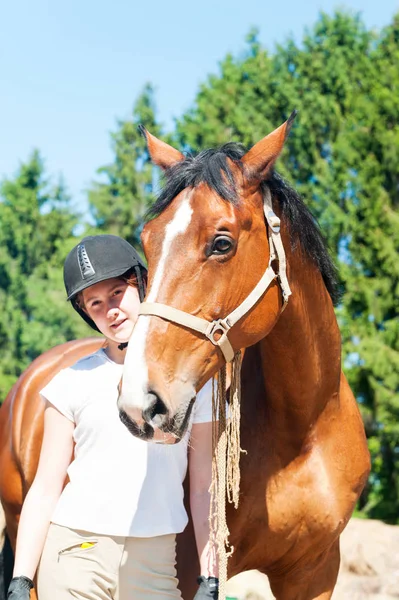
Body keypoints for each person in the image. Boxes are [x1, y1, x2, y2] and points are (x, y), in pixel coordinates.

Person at [7, 235, 219, 600]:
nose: (111, 310)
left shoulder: (196, 387)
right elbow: (45, 487)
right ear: (86, 313)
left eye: (118, 292)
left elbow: (203, 490)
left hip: (154, 563)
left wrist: (210, 575)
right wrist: (21, 579)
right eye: (95, 303)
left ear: (141, 285)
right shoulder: (71, 381)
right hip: (74, 553)